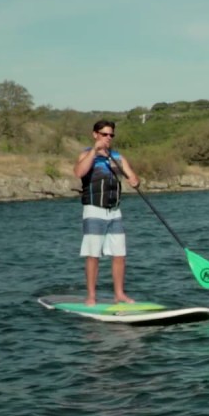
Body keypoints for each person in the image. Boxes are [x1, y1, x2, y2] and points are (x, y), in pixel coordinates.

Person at [74, 119, 140, 306]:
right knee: (93, 254)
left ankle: (119, 294)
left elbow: (133, 177)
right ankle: (91, 297)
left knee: (119, 254)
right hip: (94, 210)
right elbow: (79, 172)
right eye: (104, 134)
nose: (108, 138)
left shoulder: (117, 157)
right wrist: (94, 151)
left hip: (115, 212)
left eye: (111, 135)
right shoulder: (87, 155)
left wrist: (135, 180)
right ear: (95, 135)